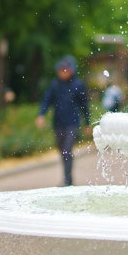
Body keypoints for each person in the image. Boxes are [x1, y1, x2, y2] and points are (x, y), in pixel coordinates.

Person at [36, 56, 91, 186]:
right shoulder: (55, 84)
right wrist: (41, 115)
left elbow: (85, 105)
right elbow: (46, 100)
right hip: (58, 123)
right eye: (61, 70)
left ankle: (67, 179)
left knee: (67, 149)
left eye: (66, 70)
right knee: (62, 150)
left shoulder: (78, 85)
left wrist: (87, 123)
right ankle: (68, 178)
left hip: (72, 123)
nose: (63, 72)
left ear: (71, 70)